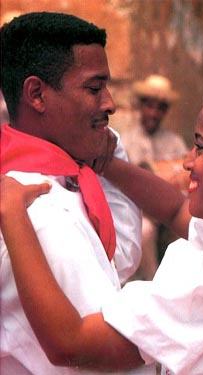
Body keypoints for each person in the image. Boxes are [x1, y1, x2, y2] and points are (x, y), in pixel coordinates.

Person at [1, 76, 203, 374]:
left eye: (201, 147)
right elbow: (175, 209)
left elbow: (72, 343)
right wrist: (109, 164)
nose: (187, 162)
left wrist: (13, 212)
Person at [0, 11, 155, 375]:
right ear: (37, 94)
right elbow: (101, 357)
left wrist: (110, 155)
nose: (110, 103)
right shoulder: (40, 209)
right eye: (94, 87)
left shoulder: (59, 183)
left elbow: (117, 259)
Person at [121, 74, 189, 280]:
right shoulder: (126, 140)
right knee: (145, 231)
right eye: (149, 106)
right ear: (141, 106)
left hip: (171, 209)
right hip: (140, 211)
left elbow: (185, 176)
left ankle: (182, 284)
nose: (153, 113)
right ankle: (154, 283)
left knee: (190, 227)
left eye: (160, 108)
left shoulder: (174, 142)